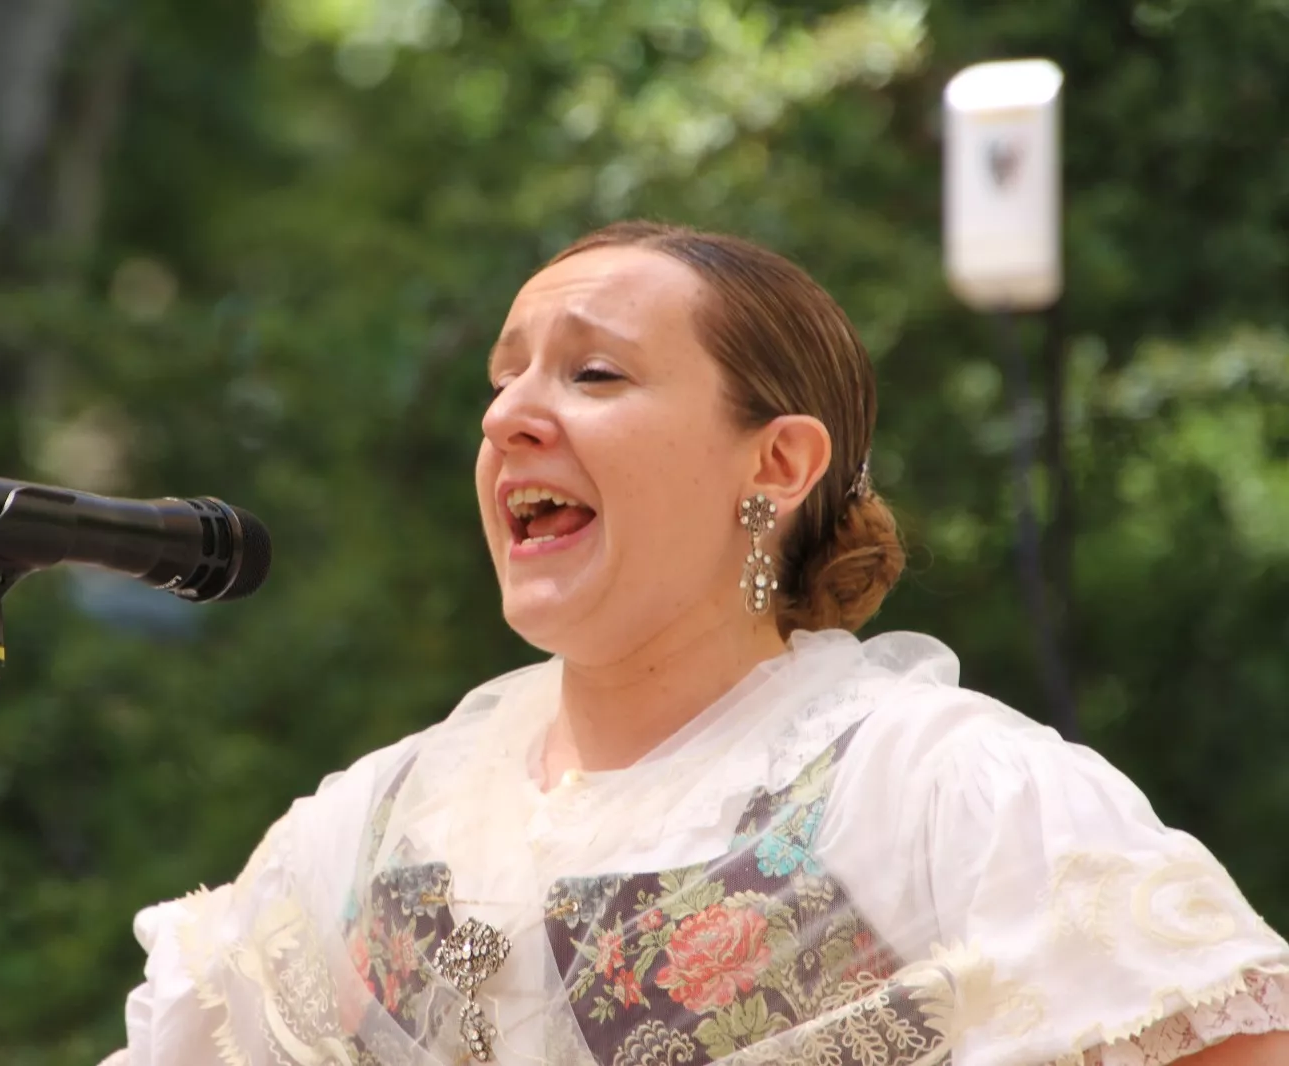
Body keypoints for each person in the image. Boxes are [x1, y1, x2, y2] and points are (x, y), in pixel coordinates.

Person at [99, 222, 1289, 1066]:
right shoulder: (376, 823)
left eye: (593, 371)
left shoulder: (936, 788)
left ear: (776, 462)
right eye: (502, 379)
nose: (507, 415)